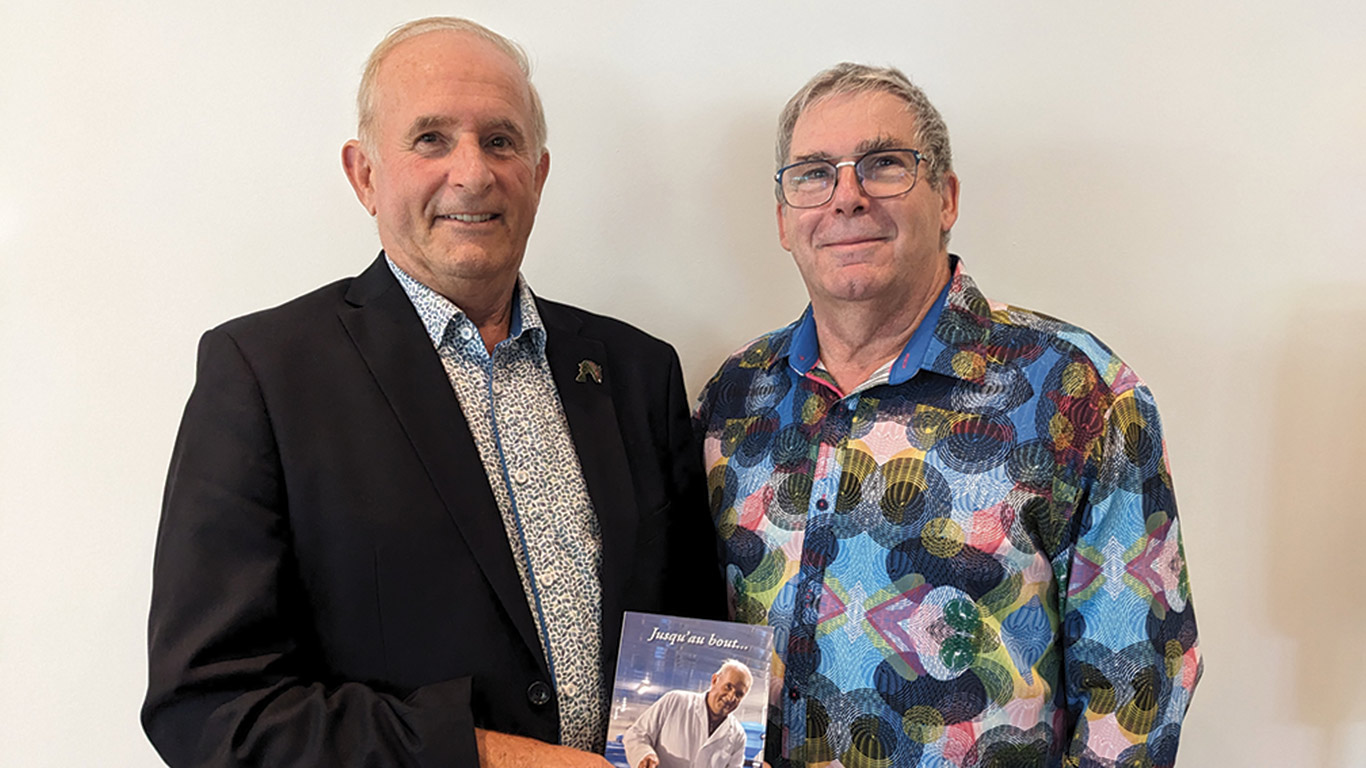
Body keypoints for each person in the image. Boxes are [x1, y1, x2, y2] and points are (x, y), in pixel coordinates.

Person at [142, 17, 722, 768]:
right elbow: (212, 710)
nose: (473, 172)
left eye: (501, 141)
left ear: (539, 174)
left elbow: (688, 633)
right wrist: (499, 759)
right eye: (431, 139)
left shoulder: (638, 372)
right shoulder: (264, 376)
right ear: (365, 175)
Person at [694, 63, 1201, 768]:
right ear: (784, 218)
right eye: (813, 173)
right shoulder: (735, 400)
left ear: (947, 197)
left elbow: (1138, 686)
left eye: (884, 164)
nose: (848, 197)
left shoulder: (1074, 392)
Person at [622, 660, 752, 768]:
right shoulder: (675, 701)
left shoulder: (738, 735)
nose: (731, 697)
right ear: (714, 680)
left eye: (739, 694)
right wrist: (644, 754)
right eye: (728, 687)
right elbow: (636, 734)